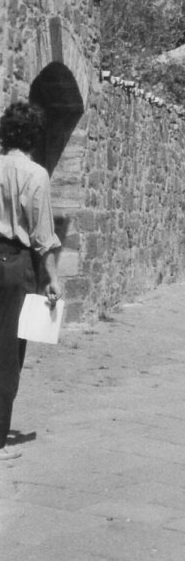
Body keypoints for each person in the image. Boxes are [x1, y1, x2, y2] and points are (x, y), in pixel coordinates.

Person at [0, 101, 62, 461]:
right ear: (34, 136)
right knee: (7, 351)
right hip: (14, 265)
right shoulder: (35, 174)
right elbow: (43, 235)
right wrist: (51, 278)